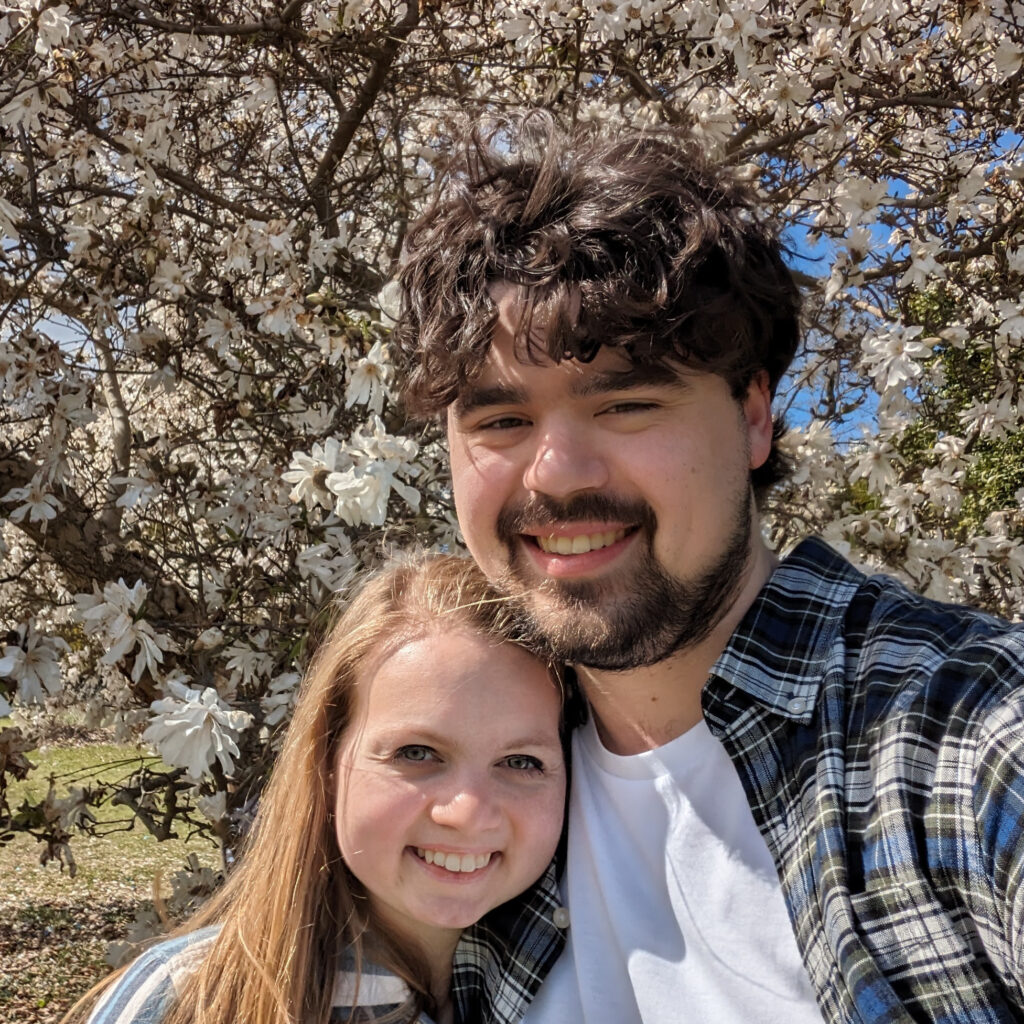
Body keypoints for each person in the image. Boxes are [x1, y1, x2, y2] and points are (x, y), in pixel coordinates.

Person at [392, 111, 1024, 1024]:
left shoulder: (960, 739)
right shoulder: (472, 799)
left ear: (755, 416)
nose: (557, 474)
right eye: (499, 421)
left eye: (630, 403)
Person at [68, 555, 569, 1024]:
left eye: (521, 761)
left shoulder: (580, 981)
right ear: (328, 760)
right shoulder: (195, 997)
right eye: (416, 753)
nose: (468, 811)